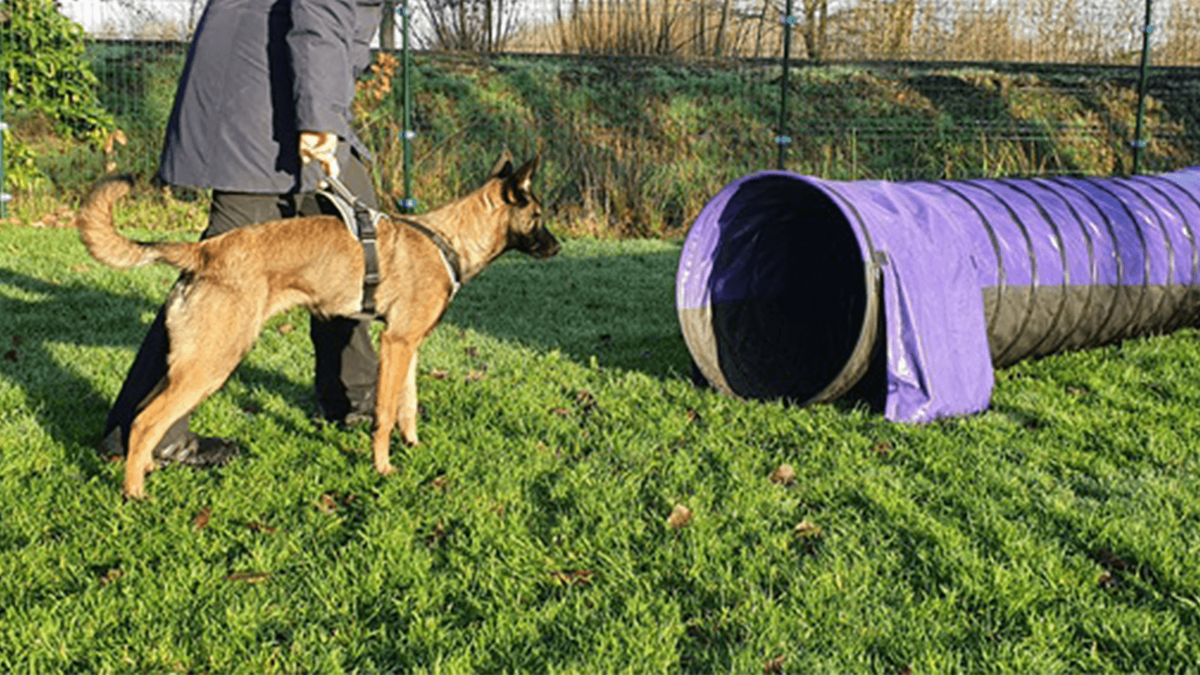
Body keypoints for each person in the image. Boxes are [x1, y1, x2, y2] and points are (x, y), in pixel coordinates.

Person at [100, 0, 385, 467]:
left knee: (356, 237)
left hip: (283, 87)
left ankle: (353, 397)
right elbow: (320, 14)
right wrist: (320, 118)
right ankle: (148, 432)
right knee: (221, 274)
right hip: (259, 106)